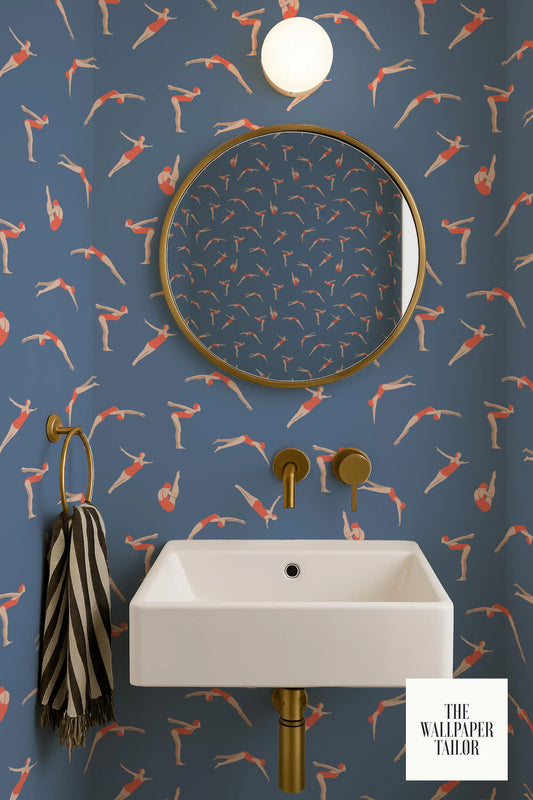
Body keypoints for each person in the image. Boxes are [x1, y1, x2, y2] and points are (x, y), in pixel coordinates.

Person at [185, 55, 253, 94]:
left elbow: (201, 59)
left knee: (239, 77)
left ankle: (248, 88)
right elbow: (201, 60)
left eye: (207, 63)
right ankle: (248, 88)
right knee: (239, 77)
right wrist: (191, 61)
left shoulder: (212, 60)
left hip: (228, 65)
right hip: (228, 65)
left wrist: (191, 61)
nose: (206, 62)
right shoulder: (213, 60)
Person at [394, 407, 461, 446]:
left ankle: (398, 440)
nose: (439, 414)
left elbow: (444, 411)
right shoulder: (432, 411)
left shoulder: (432, 411)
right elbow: (444, 411)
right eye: (438, 415)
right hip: (416, 417)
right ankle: (397, 440)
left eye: (438, 415)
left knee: (406, 429)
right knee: (406, 429)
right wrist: (455, 413)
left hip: (417, 417)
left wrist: (454, 413)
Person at [313, 11, 379, 50]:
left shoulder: (342, 15)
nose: (335, 18)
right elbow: (330, 15)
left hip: (357, 21)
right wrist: (319, 16)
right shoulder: (341, 14)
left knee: (367, 33)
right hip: (356, 21)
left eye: (335, 19)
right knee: (367, 33)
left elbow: (330, 15)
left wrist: (319, 16)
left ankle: (375, 44)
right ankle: (375, 44)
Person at [185, 688, 252, 726]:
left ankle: (247, 721)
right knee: (239, 710)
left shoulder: (213, 693)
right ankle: (247, 721)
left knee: (239, 710)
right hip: (227, 697)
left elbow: (202, 692)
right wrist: (191, 694)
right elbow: (202, 692)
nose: (207, 695)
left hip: (228, 697)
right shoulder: (212, 692)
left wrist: (191, 694)